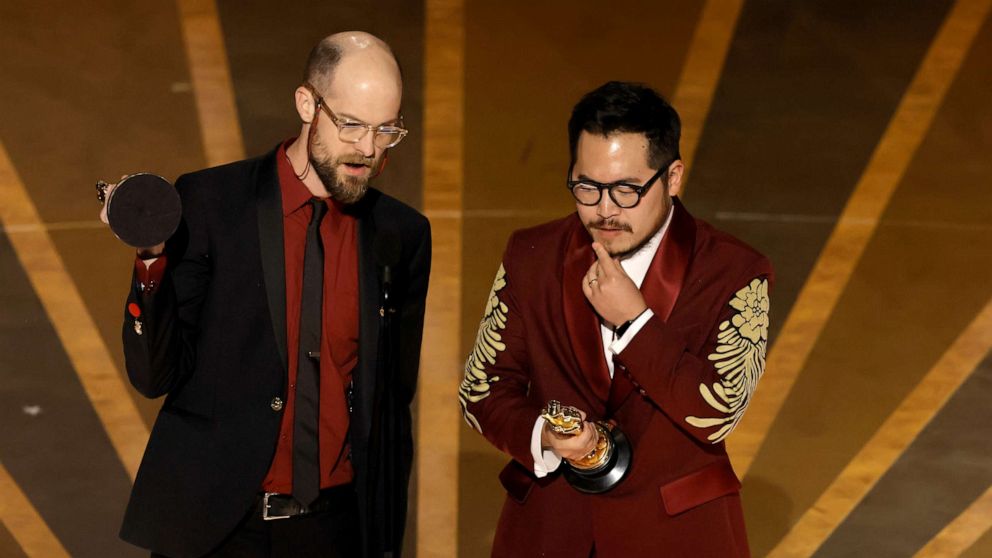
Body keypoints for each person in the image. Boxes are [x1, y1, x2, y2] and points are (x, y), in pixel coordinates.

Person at [102, 31, 430, 558]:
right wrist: (150, 260)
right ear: (307, 103)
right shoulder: (210, 203)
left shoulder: (401, 235)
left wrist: (385, 541)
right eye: (351, 125)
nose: (368, 149)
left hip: (334, 531)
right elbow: (153, 374)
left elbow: (391, 409)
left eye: (385, 130)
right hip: (216, 530)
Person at [459, 81, 772, 557]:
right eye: (587, 187)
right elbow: (482, 390)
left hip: (681, 537)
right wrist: (546, 434)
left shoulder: (736, 271)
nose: (605, 210)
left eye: (627, 189)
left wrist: (636, 324)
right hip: (549, 531)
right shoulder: (531, 255)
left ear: (673, 178)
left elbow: (719, 411)